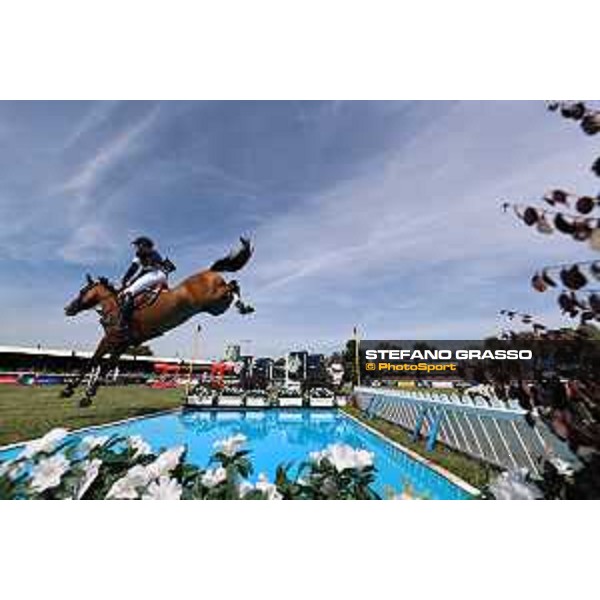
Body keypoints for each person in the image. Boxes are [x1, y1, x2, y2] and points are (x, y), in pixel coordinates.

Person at [118, 236, 175, 333]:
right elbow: (141, 272)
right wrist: (131, 280)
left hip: (156, 275)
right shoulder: (148, 253)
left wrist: (125, 279)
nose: (136, 247)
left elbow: (133, 268)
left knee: (129, 292)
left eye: (137, 245)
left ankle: (124, 324)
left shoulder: (147, 253)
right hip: (158, 275)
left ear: (143, 245)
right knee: (130, 289)